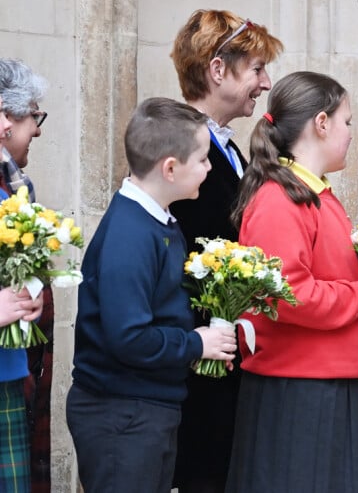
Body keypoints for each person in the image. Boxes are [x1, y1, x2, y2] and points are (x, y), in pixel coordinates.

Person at [224, 71, 358, 493]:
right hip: (297, 396)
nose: (350, 134)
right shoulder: (278, 199)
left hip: (322, 387)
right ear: (321, 123)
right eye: (347, 122)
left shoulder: (314, 195)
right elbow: (290, 296)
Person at [66, 97, 237, 493]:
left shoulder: (159, 219)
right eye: (203, 159)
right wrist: (196, 343)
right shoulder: (130, 235)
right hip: (121, 414)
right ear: (171, 168)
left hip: (146, 409)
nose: (210, 168)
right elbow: (128, 338)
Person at [169, 9, 283, 493]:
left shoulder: (230, 151)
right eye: (256, 69)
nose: (265, 82)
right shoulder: (178, 147)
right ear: (219, 70)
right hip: (198, 361)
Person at [0, 58, 51, 493]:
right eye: (33, 115)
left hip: (9, 372)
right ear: (4, 118)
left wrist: (30, 294)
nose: (37, 128)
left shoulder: (14, 186)